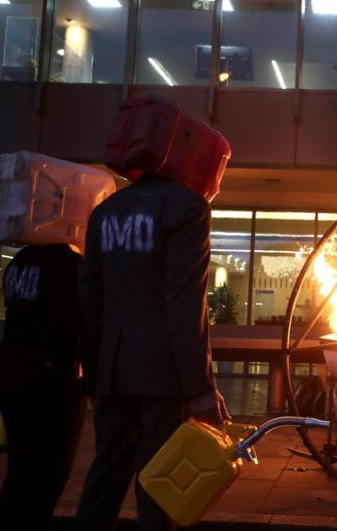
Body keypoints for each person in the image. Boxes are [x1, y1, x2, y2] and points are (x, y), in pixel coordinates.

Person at [74, 172, 229, 531]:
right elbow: (185, 301)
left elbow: (91, 298)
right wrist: (201, 388)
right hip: (163, 372)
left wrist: (95, 376)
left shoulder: (106, 211)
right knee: (160, 484)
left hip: (113, 367)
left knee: (105, 478)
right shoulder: (188, 207)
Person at [0, 243, 87, 530]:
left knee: (19, 476)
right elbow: (71, 324)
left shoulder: (21, 259)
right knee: (47, 481)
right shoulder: (69, 265)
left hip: (12, 374)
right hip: (52, 384)